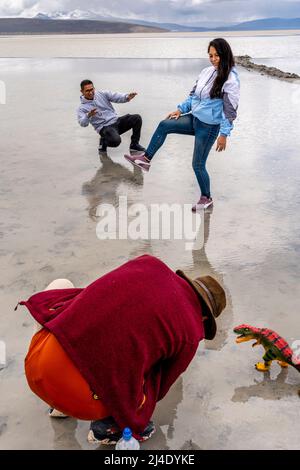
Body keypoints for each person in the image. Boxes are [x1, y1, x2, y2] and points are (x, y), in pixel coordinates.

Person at [18, 254, 226, 445]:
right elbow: (160, 387)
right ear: (205, 317)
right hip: (80, 399)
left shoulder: (149, 263)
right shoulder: (190, 332)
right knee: (147, 374)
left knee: (65, 288)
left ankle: (59, 405)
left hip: (37, 365)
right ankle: (106, 427)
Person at [124, 38, 240, 211]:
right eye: (211, 55)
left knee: (197, 164)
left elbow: (229, 111)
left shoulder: (230, 79)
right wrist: (180, 109)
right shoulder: (206, 71)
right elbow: (194, 96)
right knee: (165, 124)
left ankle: (206, 198)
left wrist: (224, 134)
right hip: (194, 118)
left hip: (209, 127)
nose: (214, 59)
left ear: (225, 54)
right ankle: (145, 159)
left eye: (217, 55)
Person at [77, 79, 146, 154]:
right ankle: (103, 141)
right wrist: (88, 115)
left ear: (94, 88)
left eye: (92, 89)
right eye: (87, 91)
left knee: (136, 118)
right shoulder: (82, 108)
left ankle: (134, 145)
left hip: (116, 121)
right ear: (82, 91)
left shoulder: (102, 94)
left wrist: (127, 97)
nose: (90, 92)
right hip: (104, 128)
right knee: (115, 141)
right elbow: (82, 123)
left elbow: (116, 96)